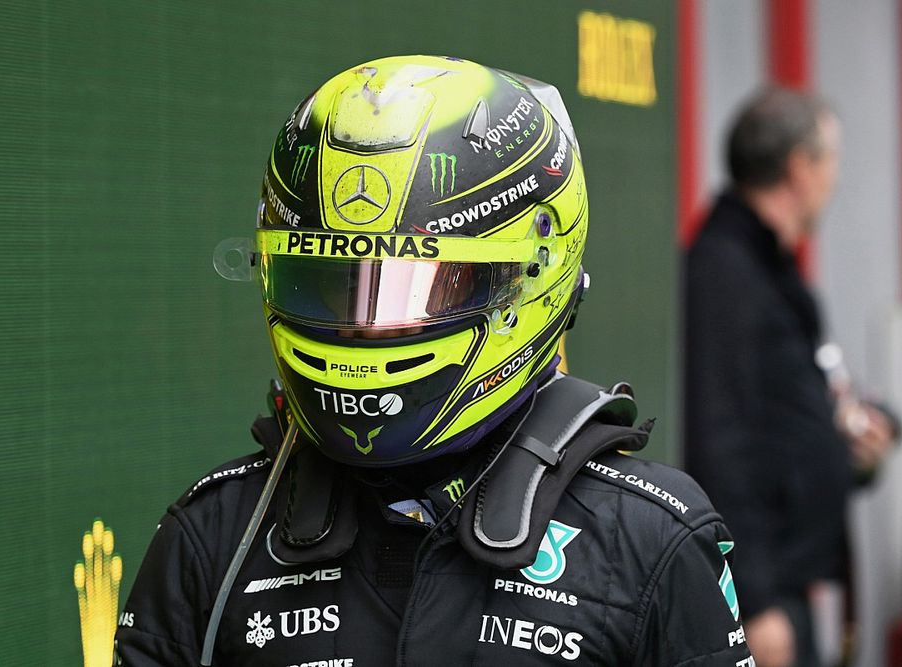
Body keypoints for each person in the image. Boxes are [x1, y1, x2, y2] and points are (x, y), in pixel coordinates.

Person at [116, 55, 754, 666]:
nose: (365, 327)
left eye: (415, 288)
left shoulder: (643, 541)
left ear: (531, 277)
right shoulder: (217, 536)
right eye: (330, 282)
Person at [684, 88, 897, 667]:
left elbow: (784, 426)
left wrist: (850, 447)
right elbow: (719, 441)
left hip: (789, 585)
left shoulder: (772, 272)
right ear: (801, 168)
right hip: (761, 600)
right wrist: (753, 600)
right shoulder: (725, 272)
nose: (834, 178)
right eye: (831, 161)